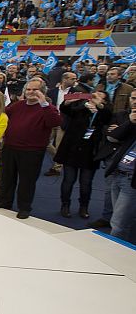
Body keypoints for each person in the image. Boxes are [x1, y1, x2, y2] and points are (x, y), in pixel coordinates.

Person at [0, 78, 62, 219]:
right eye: (28, 89)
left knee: (26, 181)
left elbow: (55, 122)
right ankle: (5, 201)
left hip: (32, 151)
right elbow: (2, 115)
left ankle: (24, 207)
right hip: (10, 147)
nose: (30, 92)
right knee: (7, 177)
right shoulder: (18, 106)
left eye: (34, 90)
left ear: (42, 92)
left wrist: (44, 103)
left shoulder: (48, 108)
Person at [54, 90, 112, 218]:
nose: (93, 98)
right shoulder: (81, 107)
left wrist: (98, 106)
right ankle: (65, 205)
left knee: (86, 182)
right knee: (68, 180)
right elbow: (66, 109)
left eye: (98, 96)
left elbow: (108, 116)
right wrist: (68, 102)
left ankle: (83, 207)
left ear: (104, 101)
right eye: (93, 95)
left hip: (90, 152)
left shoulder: (104, 112)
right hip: (72, 149)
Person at [104, 92, 136, 243]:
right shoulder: (127, 118)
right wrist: (130, 122)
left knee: (118, 224)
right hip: (118, 173)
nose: (135, 102)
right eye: (133, 98)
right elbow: (113, 136)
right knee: (122, 220)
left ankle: (114, 255)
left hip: (131, 181)